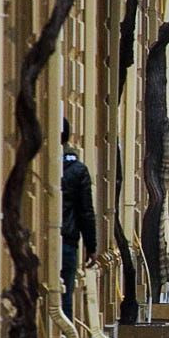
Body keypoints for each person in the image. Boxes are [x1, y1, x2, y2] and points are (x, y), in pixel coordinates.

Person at [59, 120, 98, 318]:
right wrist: (91, 247)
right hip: (67, 241)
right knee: (65, 294)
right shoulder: (77, 170)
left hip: (42, 244)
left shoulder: (41, 164)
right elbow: (86, 212)